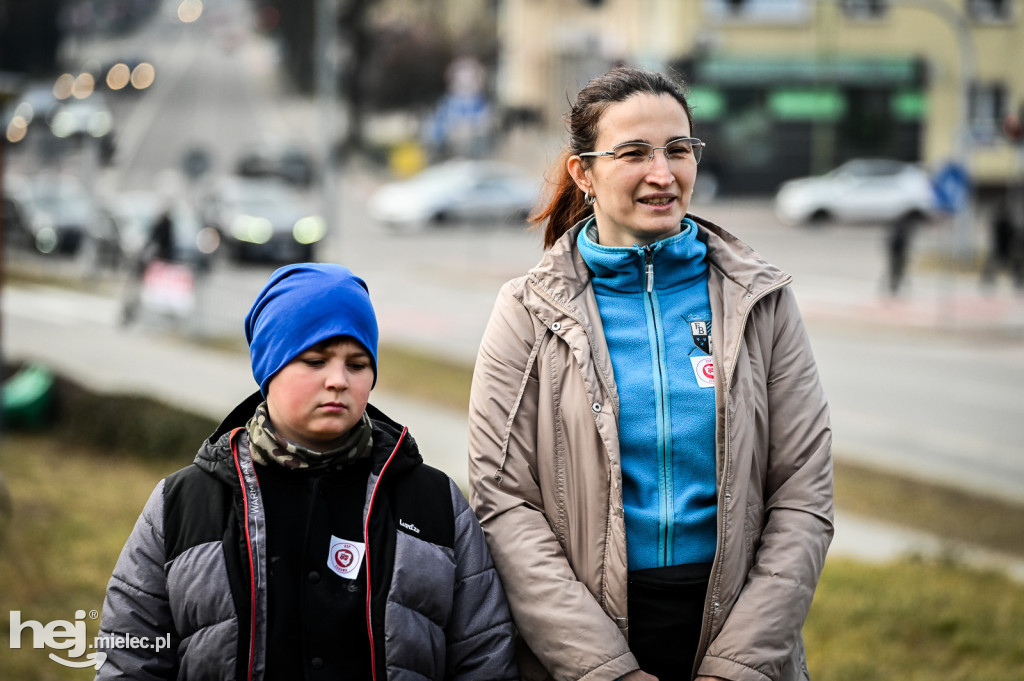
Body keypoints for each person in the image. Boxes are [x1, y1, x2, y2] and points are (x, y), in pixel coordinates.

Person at [467, 67, 833, 681]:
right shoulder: (528, 310)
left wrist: (737, 665)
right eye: (634, 153)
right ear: (583, 172)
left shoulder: (760, 298)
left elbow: (803, 493)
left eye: (678, 150)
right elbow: (502, 502)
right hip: (586, 643)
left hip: (737, 635)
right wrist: (605, 669)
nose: (663, 174)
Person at [97, 263, 518, 680]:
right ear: (269, 367)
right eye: (315, 360)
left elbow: (485, 659)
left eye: (356, 364)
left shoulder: (434, 504)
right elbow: (130, 661)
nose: (338, 380)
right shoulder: (182, 504)